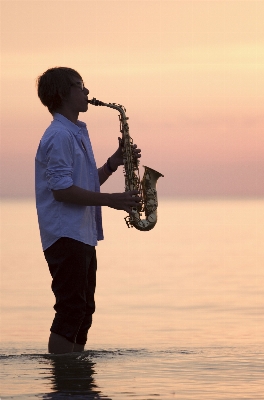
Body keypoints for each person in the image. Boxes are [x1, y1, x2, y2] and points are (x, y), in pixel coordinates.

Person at [35, 67, 141, 354]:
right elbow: (61, 191)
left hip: (80, 233)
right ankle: (62, 385)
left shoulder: (74, 132)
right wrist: (111, 200)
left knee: (84, 310)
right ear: (62, 94)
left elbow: (82, 182)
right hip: (64, 233)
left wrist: (112, 164)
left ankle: (76, 380)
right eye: (80, 86)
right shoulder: (59, 135)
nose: (87, 92)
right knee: (71, 310)